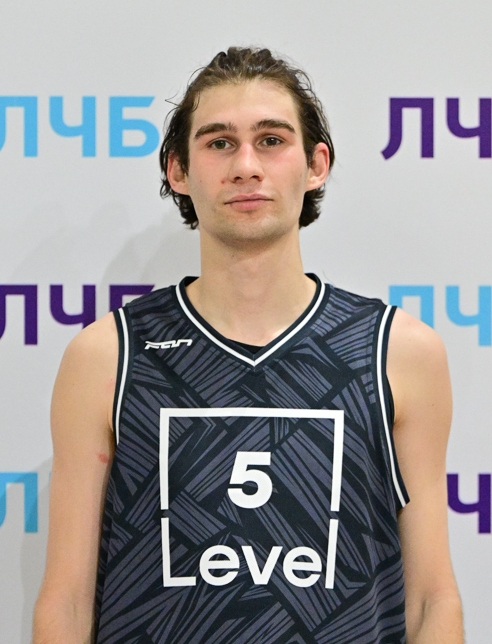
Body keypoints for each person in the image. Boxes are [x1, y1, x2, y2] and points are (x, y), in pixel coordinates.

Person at [33, 47, 463, 643]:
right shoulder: (108, 355)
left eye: (271, 140)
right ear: (178, 171)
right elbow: (67, 603)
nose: (245, 166)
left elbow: (431, 601)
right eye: (219, 143)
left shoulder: (397, 352)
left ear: (315, 165)